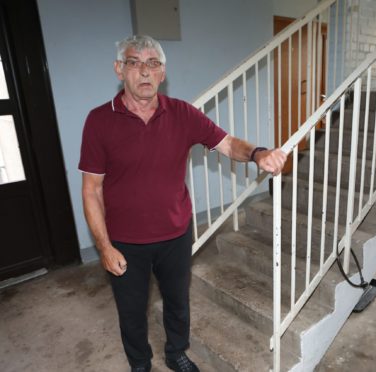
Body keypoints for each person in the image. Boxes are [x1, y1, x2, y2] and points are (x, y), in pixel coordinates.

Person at [79, 35, 287, 372]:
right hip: (125, 242)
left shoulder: (183, 114)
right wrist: (104, 247)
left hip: (175, 234)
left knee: (177, 302)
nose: (144, 72)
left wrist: (257, 153)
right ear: (120, 69)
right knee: (131, 311)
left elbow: (226, 143)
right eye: (134, 62)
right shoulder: (99, 121)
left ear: (163, 73)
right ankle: (140, 364)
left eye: (153, 64)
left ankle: (176, 352)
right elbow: (91, 190)